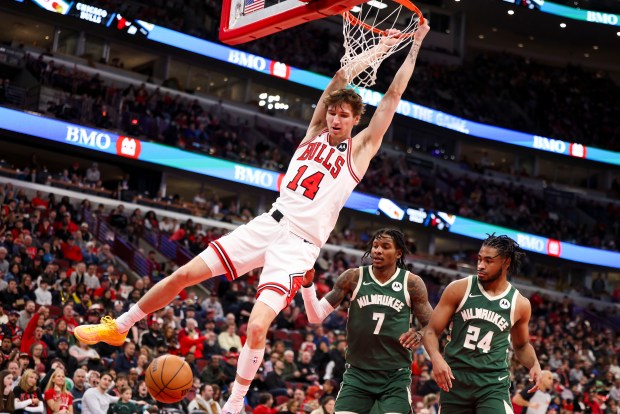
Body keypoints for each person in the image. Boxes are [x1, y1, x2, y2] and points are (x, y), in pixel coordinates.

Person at [74, 21, 431, 414]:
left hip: (299, 246)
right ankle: (119, 326)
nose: (334, 119)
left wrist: (412, 46)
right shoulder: (313, 132)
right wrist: (377, 49)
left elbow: (393, 94)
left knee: (258, 326)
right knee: (183, 275)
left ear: (354, 120)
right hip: (268, 223)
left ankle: (234, 402)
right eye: (332, 113)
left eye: (343, 115)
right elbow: (340, 76)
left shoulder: (360, 149)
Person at [301, 228, 433, 413]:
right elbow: (315, 316)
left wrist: (419, 334)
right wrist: (307, 286)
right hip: (357, 374)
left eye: (385, 246)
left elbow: (433, 325)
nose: (377, 250)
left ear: (398, 253)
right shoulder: (353, 277)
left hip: (394, 376)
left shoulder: (411, 283)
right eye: (375, 246)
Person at [422, 234, 542, 413]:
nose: (481, 265)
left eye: (488, 260)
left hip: (492, 384)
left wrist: (534, 364)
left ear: (506, 262)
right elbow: (431, 331)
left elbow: (522, 345)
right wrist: (437, 359)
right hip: (456, 380)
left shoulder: (520, 303)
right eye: (479, 259)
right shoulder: (459, 289)